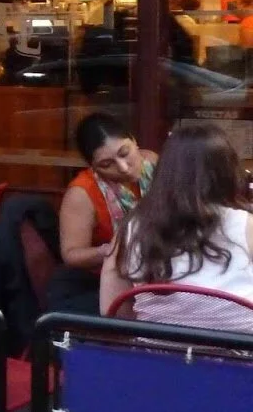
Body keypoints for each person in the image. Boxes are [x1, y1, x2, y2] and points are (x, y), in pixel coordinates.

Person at [100, 122, 253, 325]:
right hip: (238, 345)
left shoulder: (130, 229)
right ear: (229, 173)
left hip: (156, 344)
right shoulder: (246, 225)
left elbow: (111, 309)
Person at [50, 112, 156, 314]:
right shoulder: (82, 193)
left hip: (155, 274)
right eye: (107, 164)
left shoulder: (152, 162)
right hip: (101, 284)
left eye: (125, 153)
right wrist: (111, 250)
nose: (123, 168)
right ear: (93, 167)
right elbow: (72, 254)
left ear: (134, 141)